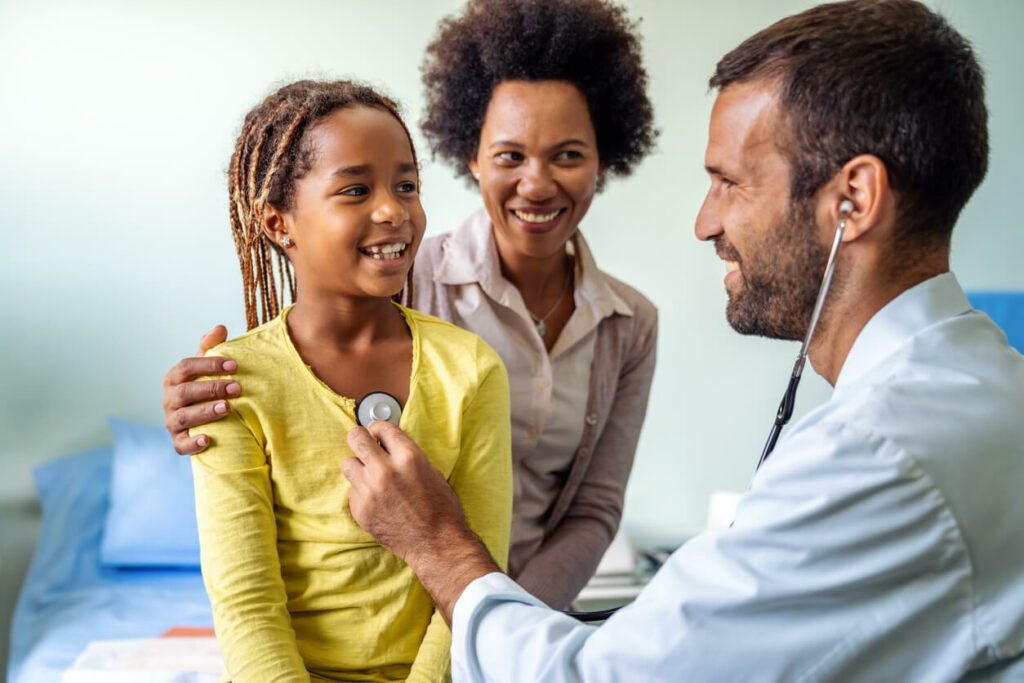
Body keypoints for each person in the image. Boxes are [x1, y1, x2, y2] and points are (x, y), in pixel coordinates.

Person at [339, 1, 1024, 680]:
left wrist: (442, 550)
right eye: (510, 154)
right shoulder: (990, 384)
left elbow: (601, 674)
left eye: (729, 182)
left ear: (854, 199)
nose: (704, 222)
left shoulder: (874, 456)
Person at [163, 0, 658, 610]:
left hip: (527, 619)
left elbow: (595, 508)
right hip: (416, 616)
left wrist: (511, 627)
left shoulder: (630, 324)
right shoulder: (394, 272)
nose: (537, 182)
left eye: (568, 155)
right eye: (509, 156)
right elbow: (297, 391)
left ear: (602, 162)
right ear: (470, 157)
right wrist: (197, 398)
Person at [191, 79, 512, 682]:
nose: (394, 209)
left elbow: (475, 579)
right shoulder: (233, 385)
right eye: (356, 189)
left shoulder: (470, 370)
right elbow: (247, 604)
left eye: (407, 186)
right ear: (279, 222)